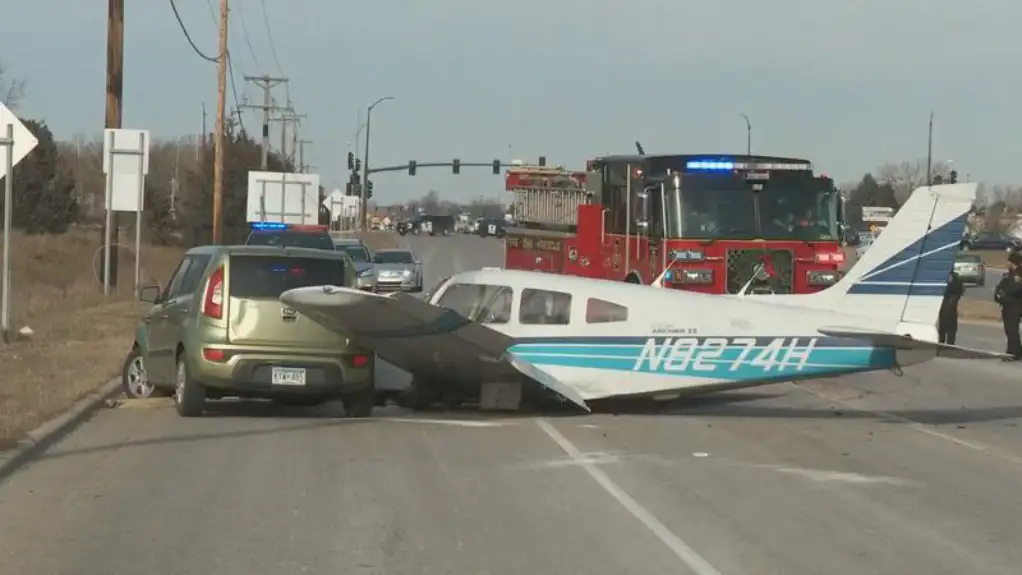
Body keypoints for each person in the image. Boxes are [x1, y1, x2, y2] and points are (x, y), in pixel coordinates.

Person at [994, 251, 1022, 360]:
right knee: (1010, 330)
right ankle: (1017, 351)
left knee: (1011, 330)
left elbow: (1014, 289)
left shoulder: (1017, 274)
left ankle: (1012, 353)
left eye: (1009, 262)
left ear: (1013, 262)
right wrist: (998, 294)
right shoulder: (1010, 273)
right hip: (1010, 305)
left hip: (1014, 306)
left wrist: (1003, 296)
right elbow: (1001, 287)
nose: (1007, 264)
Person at [938, 271, 964, 344]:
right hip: (944, 307)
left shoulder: (956, 281)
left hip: (950, 309)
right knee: (942, 329)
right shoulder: (945, 279)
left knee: (951, 330)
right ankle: (941, 344)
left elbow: (959, 292)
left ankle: (949, 344)